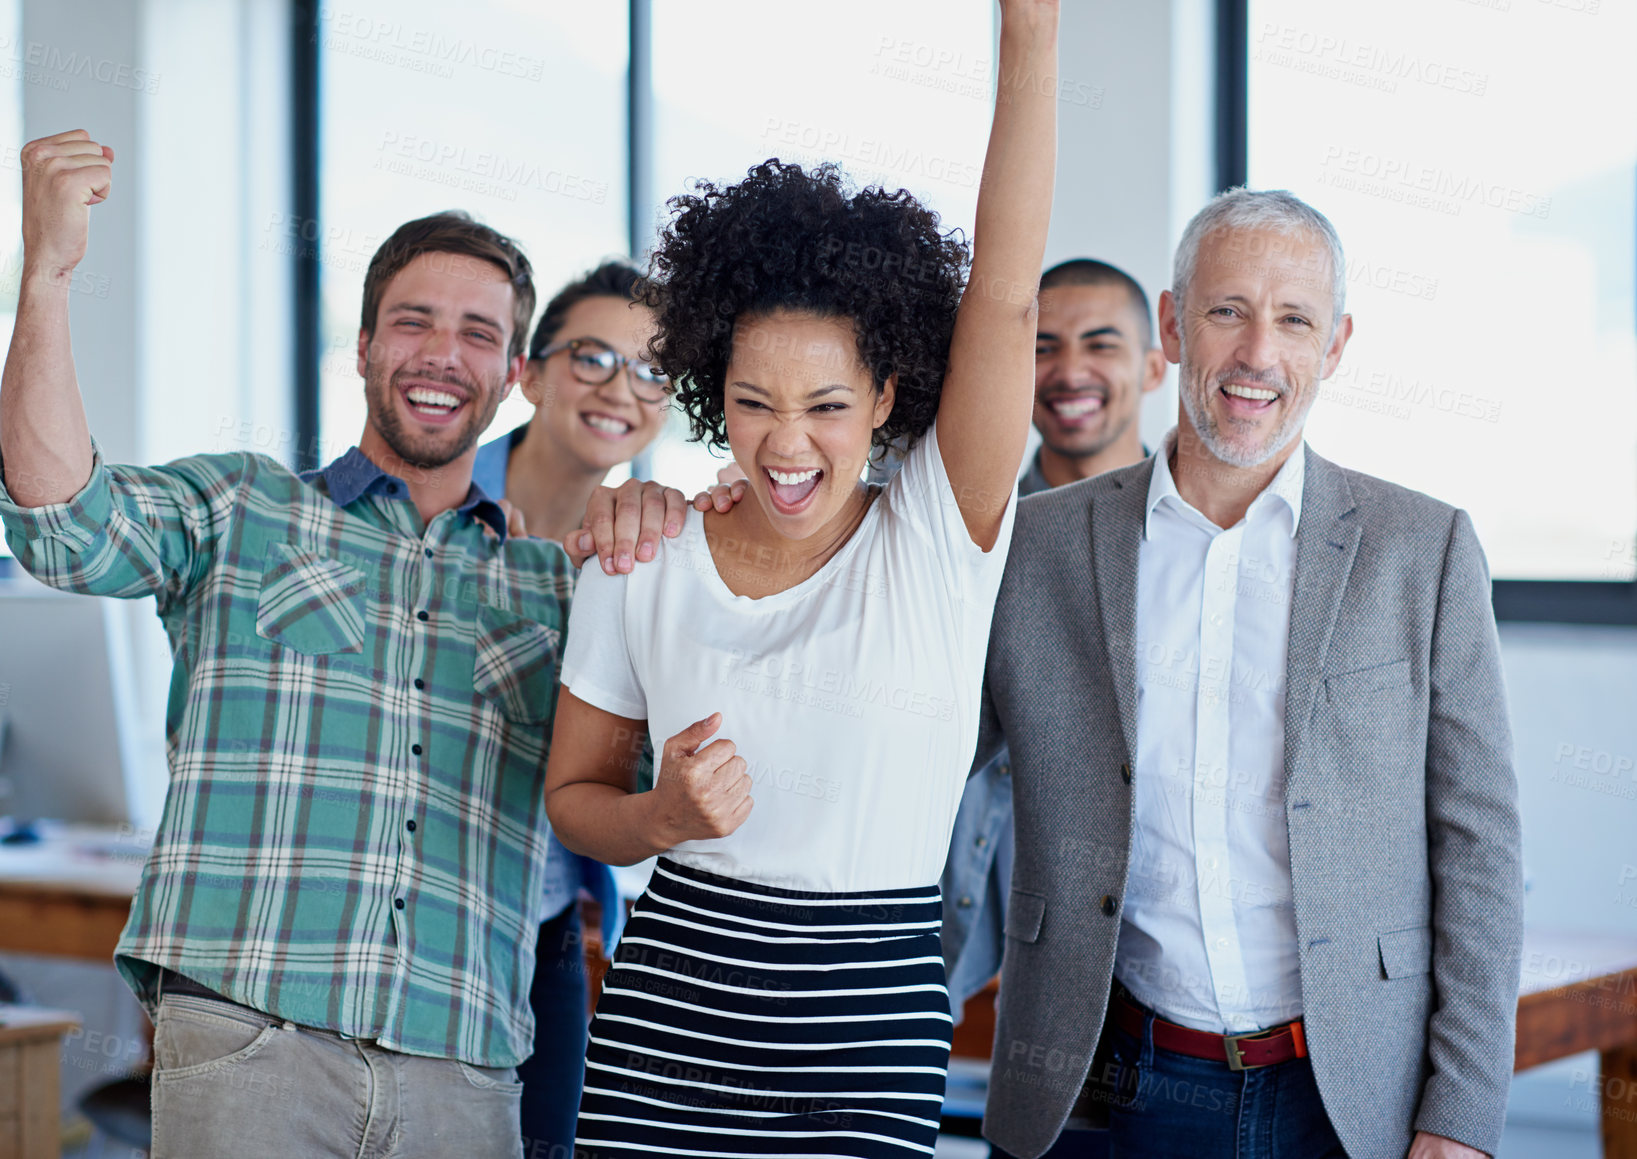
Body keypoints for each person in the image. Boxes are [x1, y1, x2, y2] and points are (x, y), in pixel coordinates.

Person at [0, 131, 695, 1157]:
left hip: (467, 1064)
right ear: (363, 349)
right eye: (414, 322)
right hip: (251, 1042)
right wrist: (47, 276)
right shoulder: (238, 508)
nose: (444, 353)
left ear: (508, 380)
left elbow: (656, 767)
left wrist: (675, 527)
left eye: (478, 334)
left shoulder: (556, 587)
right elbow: (62, 520)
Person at [542, 3, 1059, 1155]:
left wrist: (1029, 34)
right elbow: (575, 796)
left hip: (868, 1021)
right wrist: (664, 814)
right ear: (707, 393)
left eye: (827, 406)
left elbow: (1007, 295)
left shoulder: (938, 532)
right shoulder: (643, 556)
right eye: (753, 403)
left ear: (885, 398)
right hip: (670, 1014)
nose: (787, 445)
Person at [977, 188, 1522, 1159]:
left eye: (1295, 319)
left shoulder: (1423, 548)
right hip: (1106, 1087)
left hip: (1355, 1097)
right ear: (1177, 324)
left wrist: (1463, 1110)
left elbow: (1480, 844)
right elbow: (920, 745)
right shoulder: (1041, 545)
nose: (1258, 354)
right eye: (1228, 311)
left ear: (1338, 343)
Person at [470, 259, 666, 1159]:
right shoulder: (433, 499)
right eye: (591, 356)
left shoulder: (651, 549)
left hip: (547, 921)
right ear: (530, 372)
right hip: (414, 904)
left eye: (653, 368)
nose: (620, 388)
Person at [942, 257, 1165, 1021]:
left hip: (1169, 948)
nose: (1069, 369)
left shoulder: (1194, 539)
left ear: (1155, 365)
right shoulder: (967, 526)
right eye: (1042, 345)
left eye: (1100, 344)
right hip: (1000, 942)